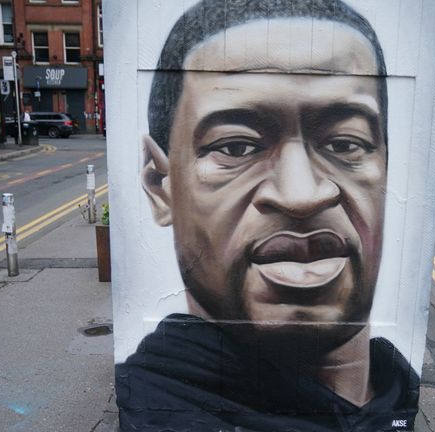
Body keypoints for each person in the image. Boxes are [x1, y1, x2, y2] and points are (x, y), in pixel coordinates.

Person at [116, 1, 419, 430]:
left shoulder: (400, 394)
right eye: (236, 147)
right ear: (161, 188)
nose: (301, 196)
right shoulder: (159, 413)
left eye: (345, 144)